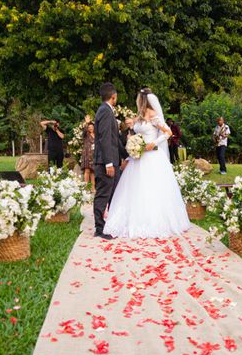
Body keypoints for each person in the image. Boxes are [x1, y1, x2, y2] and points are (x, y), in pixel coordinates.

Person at [104, 87, 191, 239]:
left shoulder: (152, 114)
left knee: (151, 188)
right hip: (139, 157)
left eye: (138, 98)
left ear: (142, 99)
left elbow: (168, 133)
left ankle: (156, 221)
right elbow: (136, 131)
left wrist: (154, 143)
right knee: (136, 188)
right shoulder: (139, 116)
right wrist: (132, 139)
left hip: (152, 156)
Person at [93, 82, 129, 239]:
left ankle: (110, 225)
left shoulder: (106, 111)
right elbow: (105, 139)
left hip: (113, 160)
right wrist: (108, 163)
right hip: (106, 163)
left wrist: (127, 154)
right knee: (103, 194)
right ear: (113, 96)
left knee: (114, 194)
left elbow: (114, 141)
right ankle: (99, 229)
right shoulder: (105, 112)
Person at [81, 122, 95, 191]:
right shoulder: (86, 135)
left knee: (93, 171)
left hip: (94, 154)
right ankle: (86, 188)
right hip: (87, 154)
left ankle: (93, 187)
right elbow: (84, 131)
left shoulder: (96, 135)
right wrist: (86, 123)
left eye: (92, 127)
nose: (91, 128)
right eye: (89, 127)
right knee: (87, 171)